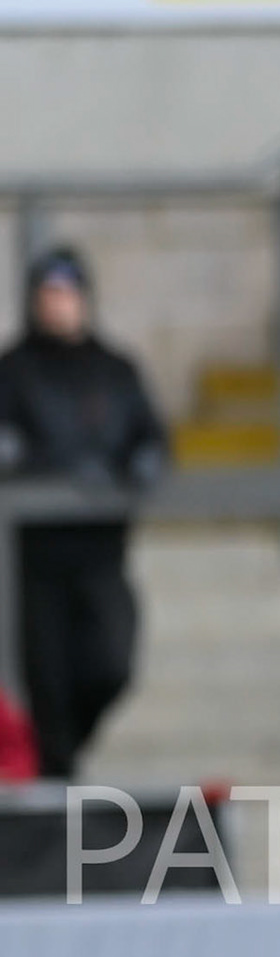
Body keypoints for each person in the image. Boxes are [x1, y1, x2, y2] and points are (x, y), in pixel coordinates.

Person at [0, 246, 168, 778]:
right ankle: (58, 775)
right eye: (49, 294)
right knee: (46, 681)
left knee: (110, 662)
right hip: (37, 557)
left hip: (101, 551)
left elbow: (151, 435)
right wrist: (50, 470)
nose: (59, 304)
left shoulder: (115, 371)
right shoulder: (14, 371)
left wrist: (142, 462)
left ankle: (64, 754)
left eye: (67, 293)